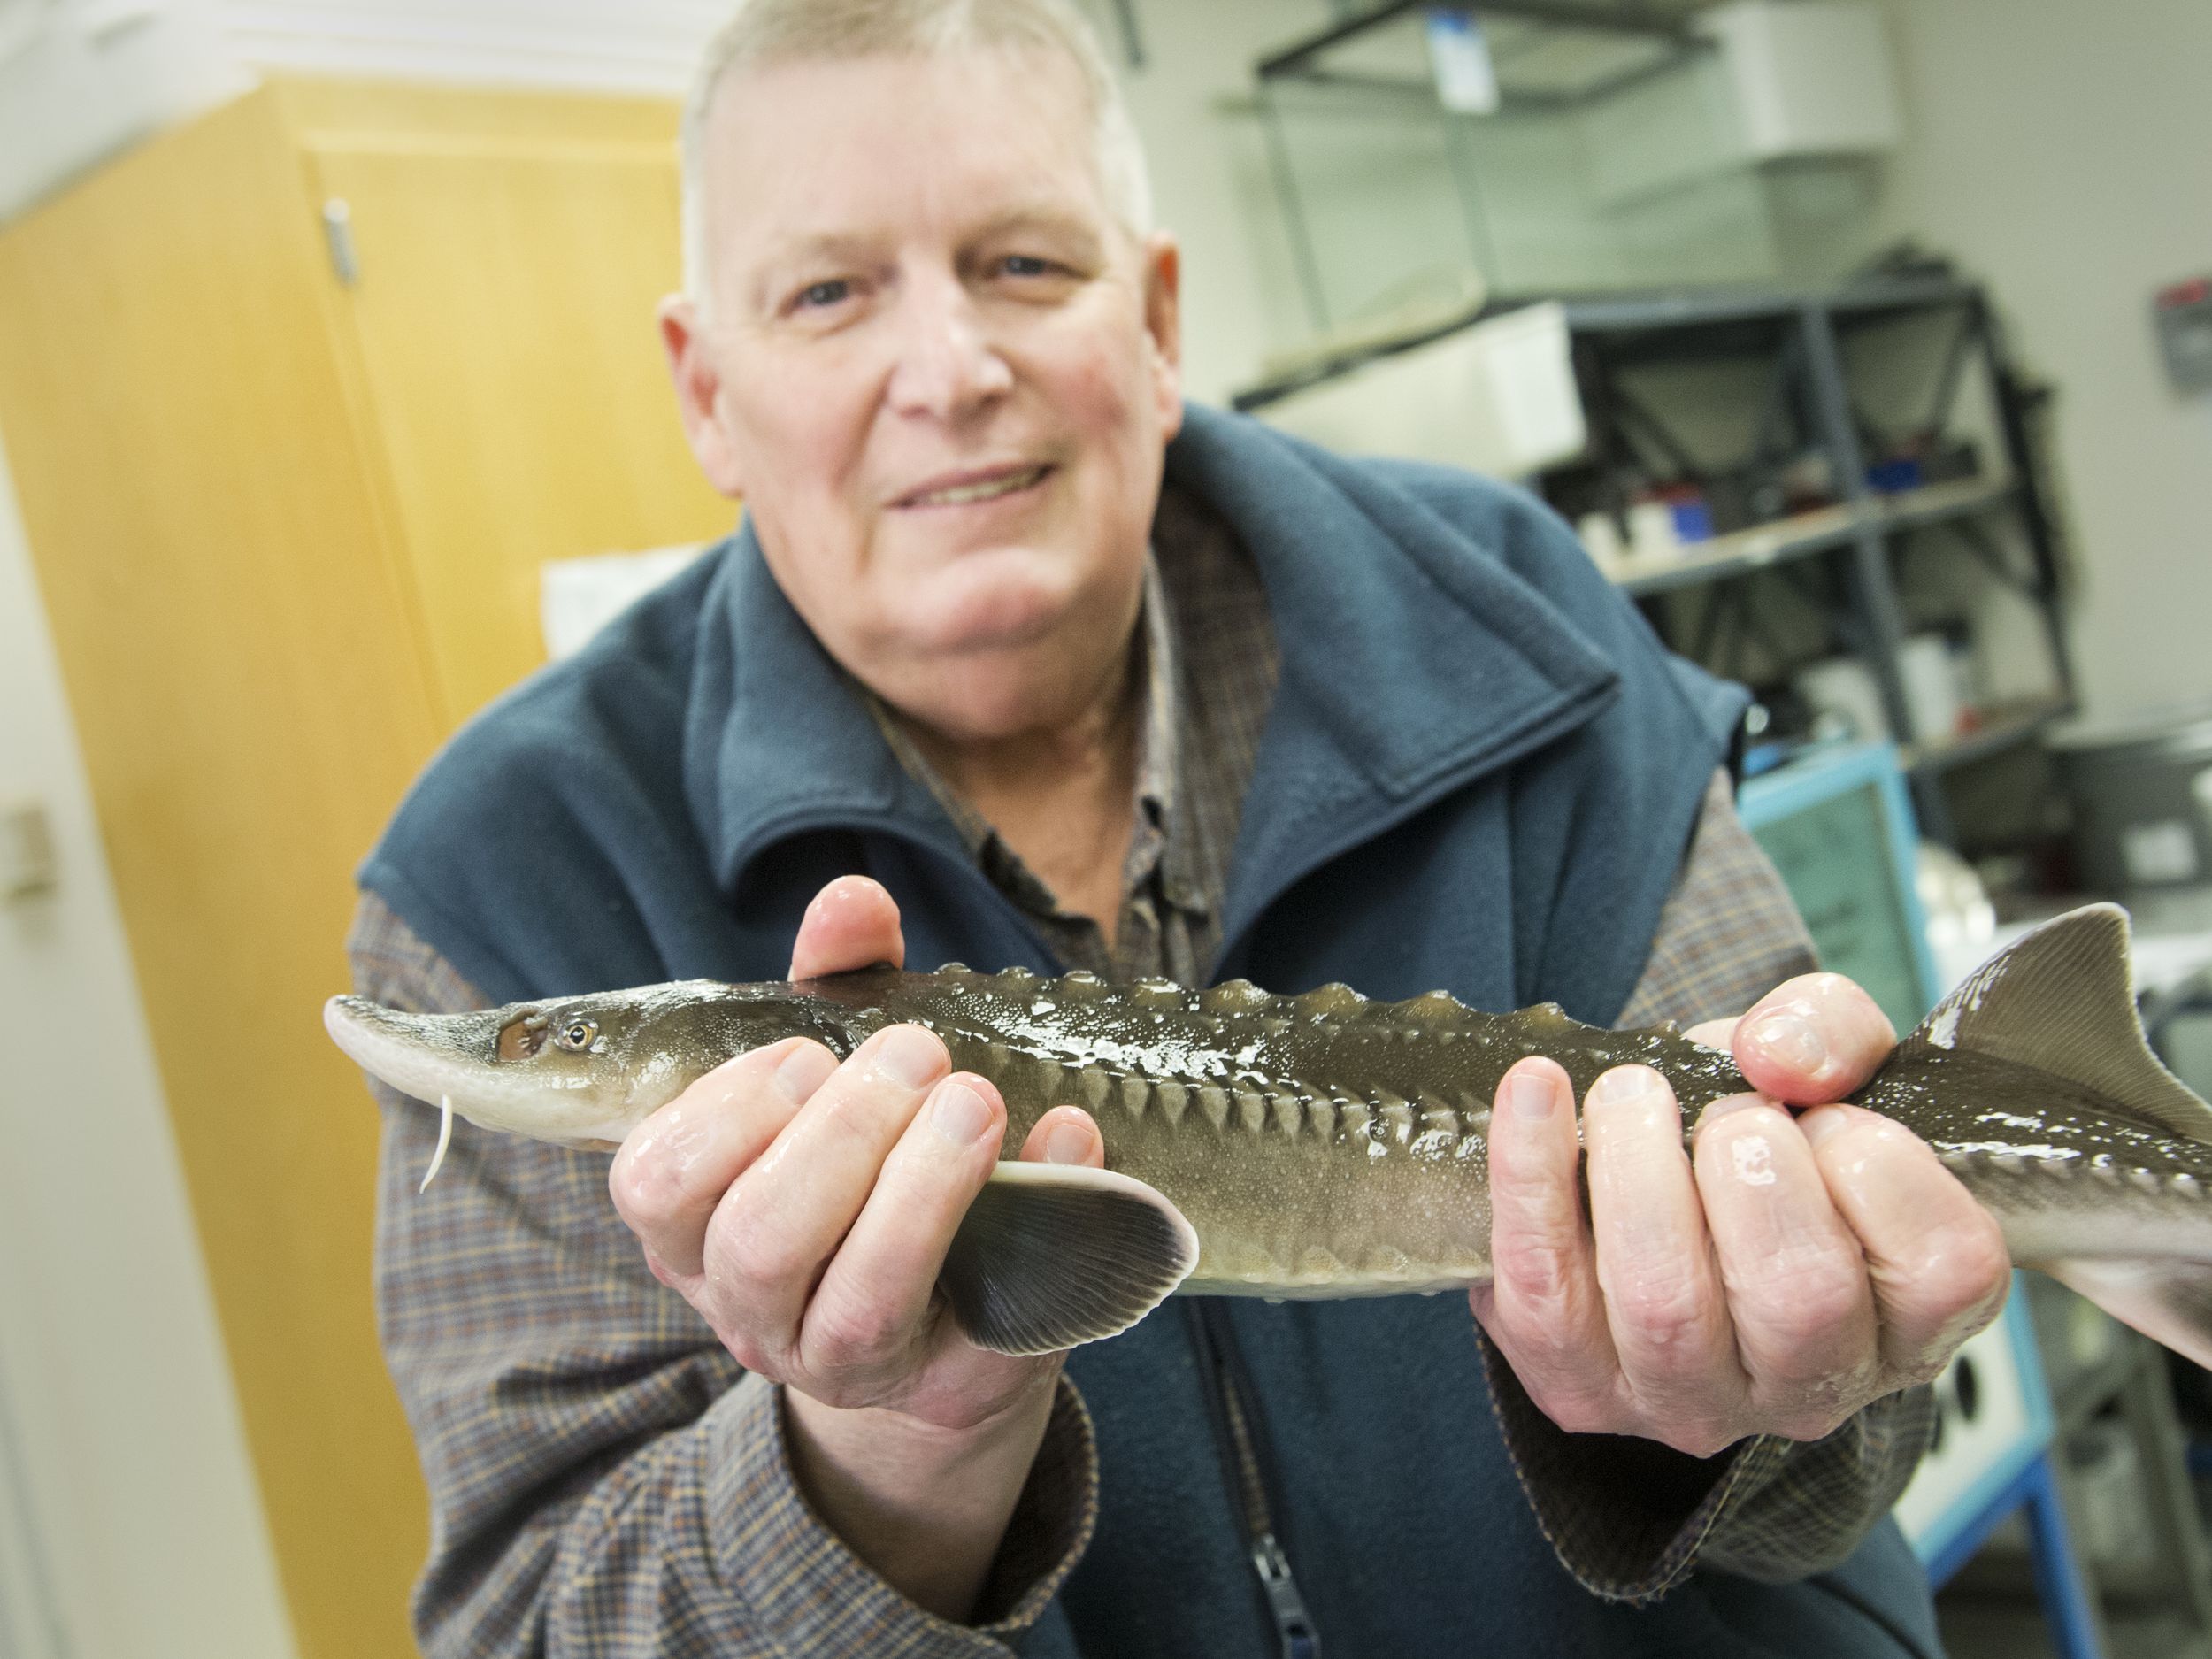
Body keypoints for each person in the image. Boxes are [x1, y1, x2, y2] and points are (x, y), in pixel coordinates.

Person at [346, 1, 2011, 1652]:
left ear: (1153, 320)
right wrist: (885, 1458)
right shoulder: (499, 874)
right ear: (707, 388)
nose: (949, 372)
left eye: (1022, 266)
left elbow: (1860, 1437)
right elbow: (543, 1629)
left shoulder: (1511, 623)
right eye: (830, 292)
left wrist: (1749, 1386)